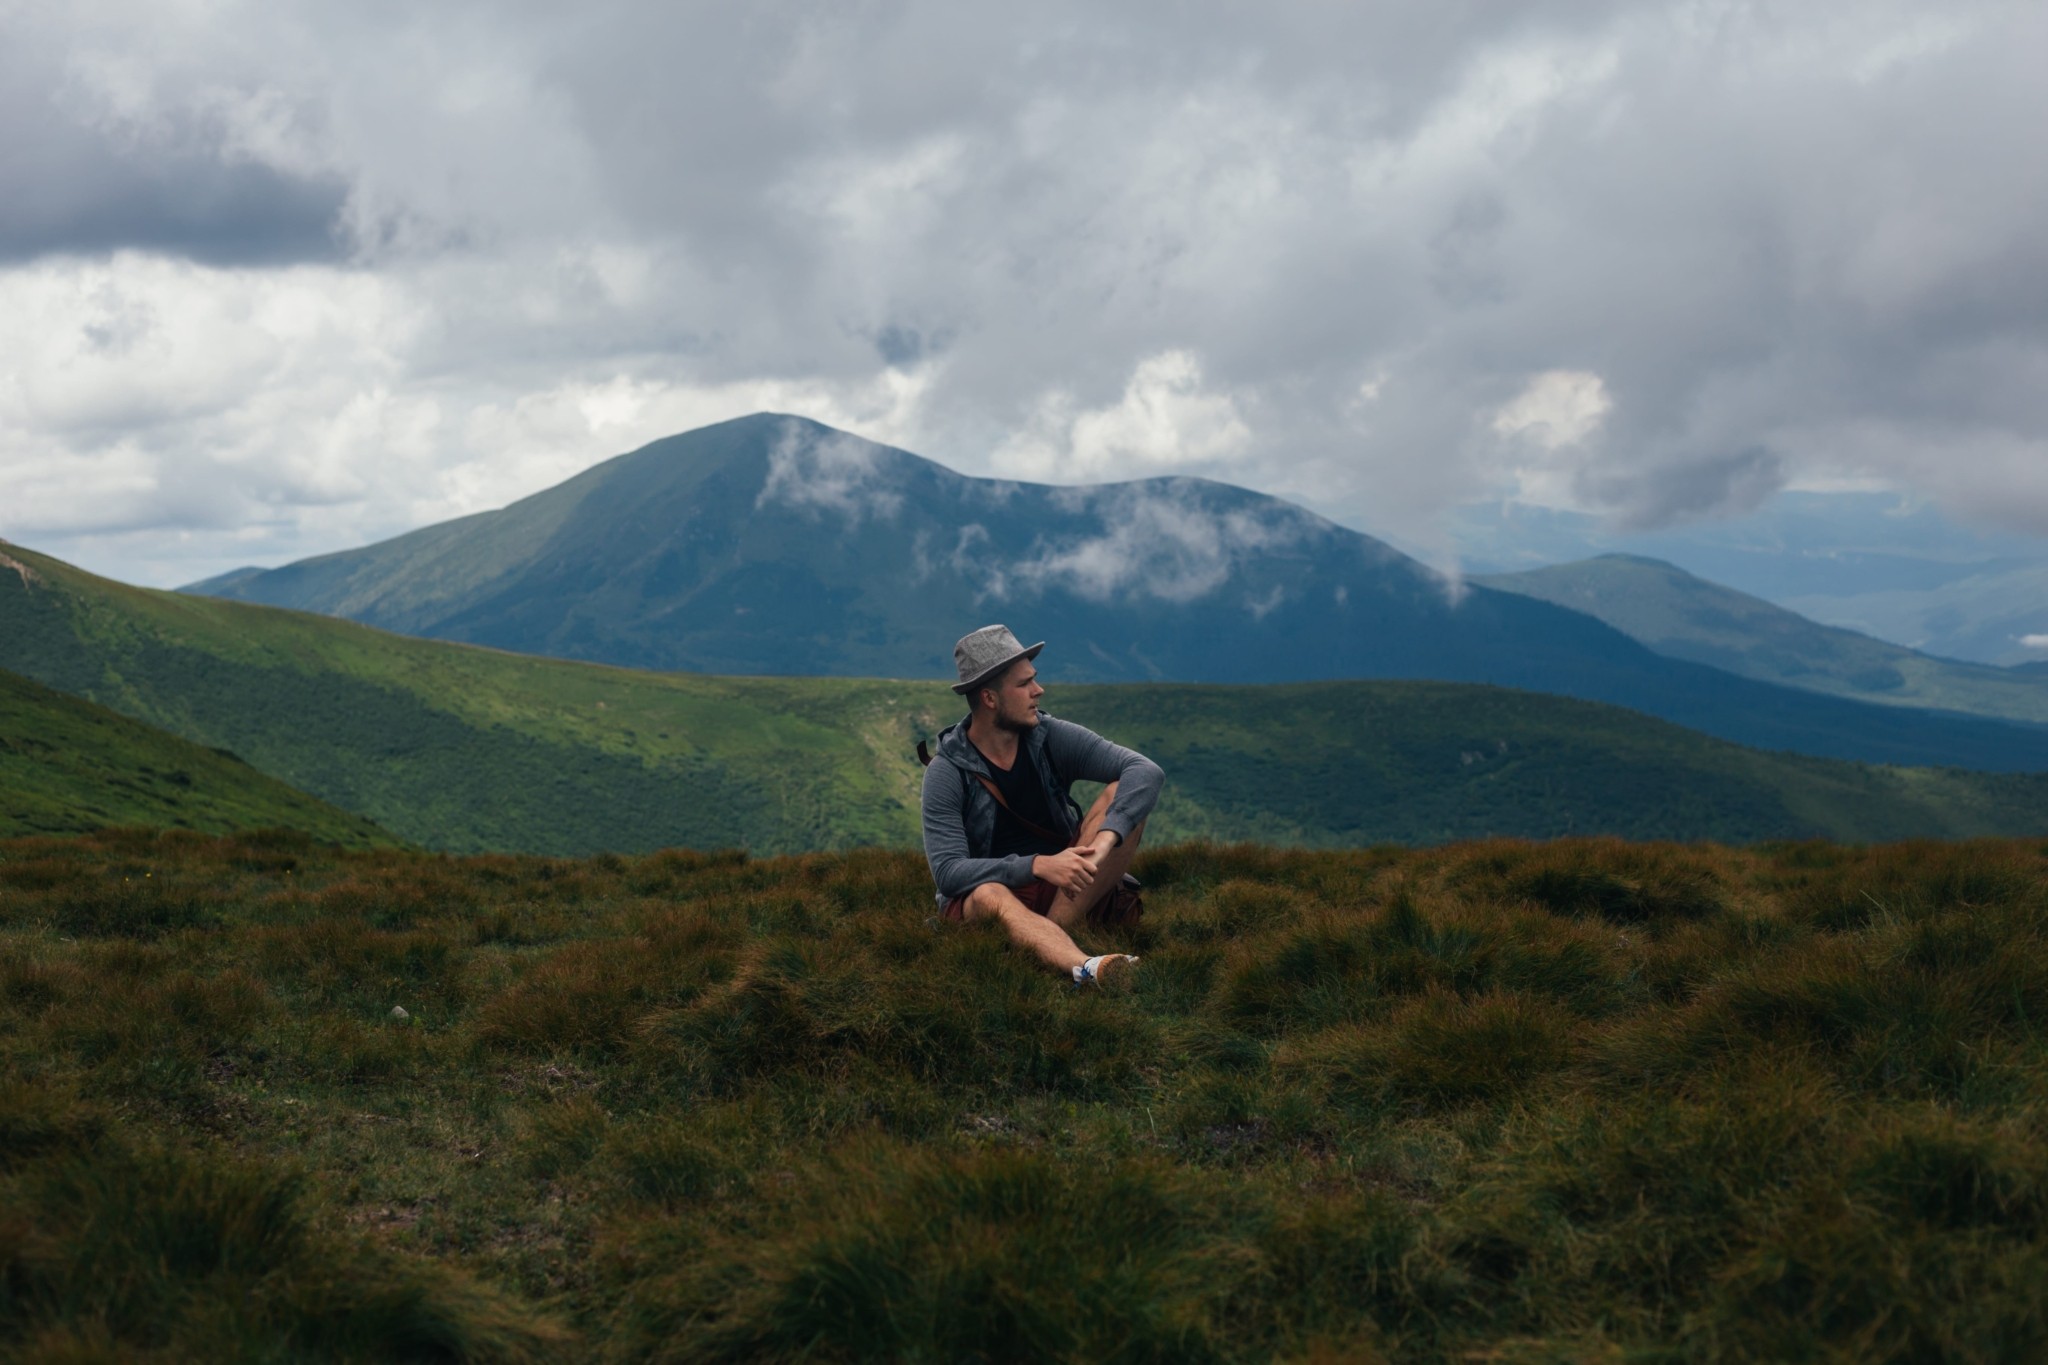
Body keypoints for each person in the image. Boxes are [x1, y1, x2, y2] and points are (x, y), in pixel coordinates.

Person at [920, 624, 1164, 986]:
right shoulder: (947, 772)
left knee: (1120, 793)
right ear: (989, 699)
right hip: (991, 897)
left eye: (1034, 679)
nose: (1039, 691)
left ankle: (1045, 938)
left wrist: (1101, 847)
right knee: (990, 894)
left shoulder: (1049, 737)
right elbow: (949, 873)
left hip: (1065, 891)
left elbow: (1145, 771)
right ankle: (1087, 968)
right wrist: (1037, 866)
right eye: (1024, 684)